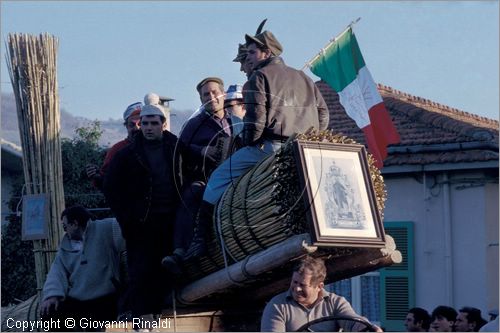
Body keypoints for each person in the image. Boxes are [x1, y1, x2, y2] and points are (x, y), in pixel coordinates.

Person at [182, 29, 329, 260]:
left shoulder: (258, 78)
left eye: (251, 52)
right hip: (304, 150)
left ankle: (199, 241)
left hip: (272, 149)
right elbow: (324, 115)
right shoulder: (304, 78)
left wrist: (247, 143)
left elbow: (256, 121)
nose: (247, 57)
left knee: (217, 179)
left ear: (266, 53)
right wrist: (310, 138)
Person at [103, 98, 182, 319]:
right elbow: (110, 187)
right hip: (141, 222)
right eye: (144, 123)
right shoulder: (127, 153)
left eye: (153, 123)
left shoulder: (175, 146)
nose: (148, 127)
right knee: (141, 271)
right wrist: (126, 218)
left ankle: (163, 317)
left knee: (167, 270)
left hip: (171, 218)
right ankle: (141, 317)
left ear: (162, 124)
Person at [161, 78, 237, 273]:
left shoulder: (236, 122)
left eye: (214, 92)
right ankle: (180, 251)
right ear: (201, 99)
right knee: (192, 194)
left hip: (235, 177)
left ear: (223, 94)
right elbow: (181, 151)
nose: (211, 97)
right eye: (206, 94)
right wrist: (202, 151)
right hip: (205, 178)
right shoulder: (193, 125)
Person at [40, 205, 125, 331]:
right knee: (49, 313)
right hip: (78, 300)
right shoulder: (65, 247)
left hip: (106, 297)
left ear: (74, 224)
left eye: (65, 227)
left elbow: (128, 233)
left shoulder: (105, 228)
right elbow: (56, 273)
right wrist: (52, 295)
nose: (65, 231)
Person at [260, 256, 382, 332]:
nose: (296, 289)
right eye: (294, 282)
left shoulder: (335, 302)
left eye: (302, 285)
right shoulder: (277, 306)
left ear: (319, 286)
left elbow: (352, 321)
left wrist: (366, 328)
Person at [86, 101, 142, 190]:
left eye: (141, 124)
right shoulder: (117, 150)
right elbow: (105, 182)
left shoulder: (158, 148)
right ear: (126, 126)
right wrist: (97, 175)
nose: (136, 128)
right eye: (132, 125)